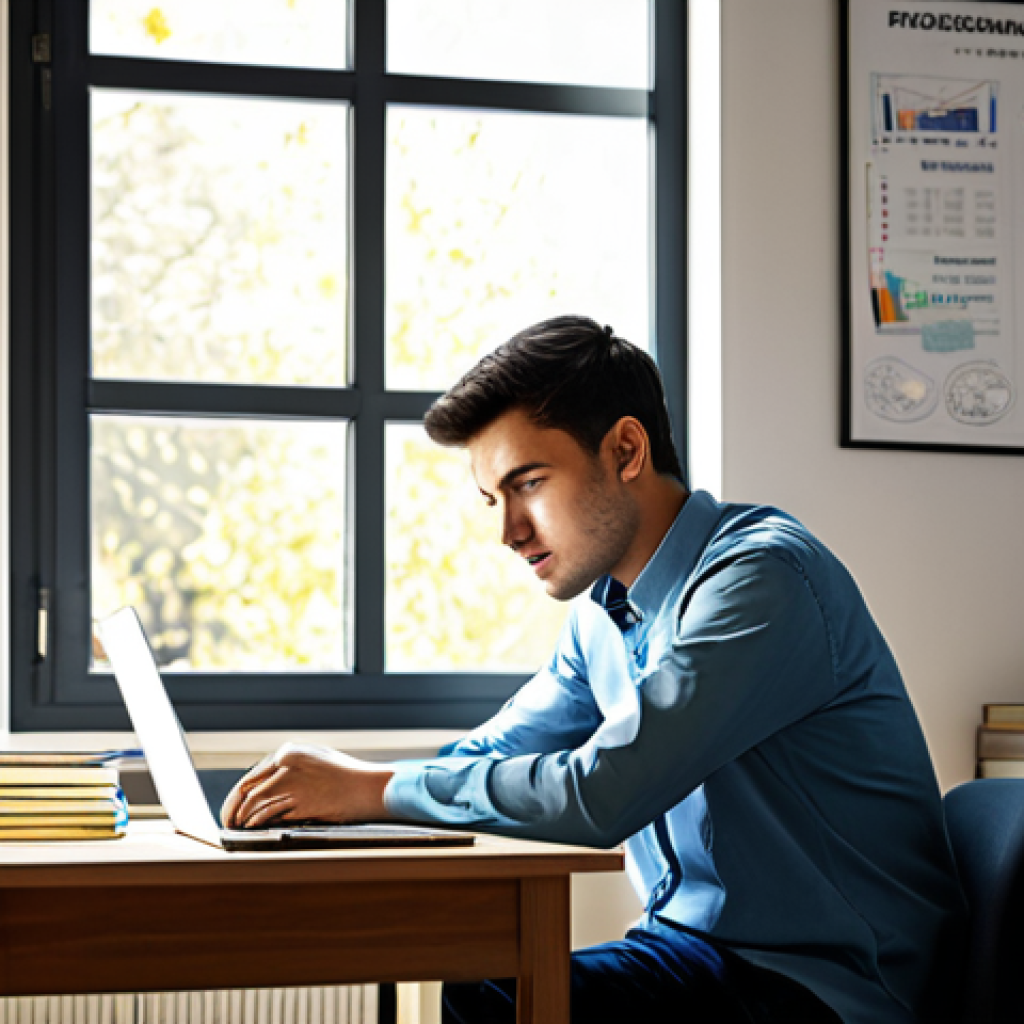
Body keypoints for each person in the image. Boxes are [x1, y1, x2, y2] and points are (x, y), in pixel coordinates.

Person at [222, 316, 966, 1024]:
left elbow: (603, 792)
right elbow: (495, 753)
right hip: (689, 955)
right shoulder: (603, 614)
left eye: (529, 483)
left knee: (473, 1004)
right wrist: (345, 798)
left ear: (626, 451)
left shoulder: (762, 579)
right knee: (454, 983)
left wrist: (375, 789)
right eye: (493, 499)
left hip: (826, 991)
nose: (508, 532)